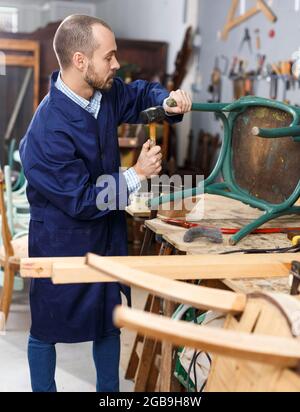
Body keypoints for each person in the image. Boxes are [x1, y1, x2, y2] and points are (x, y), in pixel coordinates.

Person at [20, 14, 192, 392]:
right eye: (109, 56)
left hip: (105, 235)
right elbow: (81, 198)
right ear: (81, 60)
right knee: (46, 329)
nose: (116, 64)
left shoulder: (104, 94)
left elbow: (140, 95)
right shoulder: (47, 129)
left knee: (107, 320)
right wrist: (137, 174)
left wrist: (168, 102)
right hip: (61, 244)